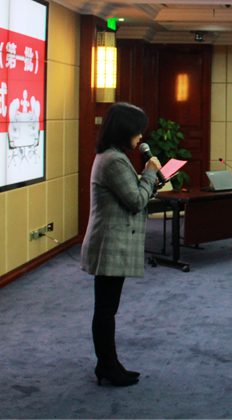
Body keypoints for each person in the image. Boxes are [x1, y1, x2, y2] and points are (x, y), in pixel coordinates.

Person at [80, 102, 162, 387]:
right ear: (124, 130)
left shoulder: (113, 156)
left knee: (107, 308)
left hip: (111, 242)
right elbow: (136, 201)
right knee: (105, 309)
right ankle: (106, 365)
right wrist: (149, 173)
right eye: (138, 131)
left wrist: (149, 181)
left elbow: (133, 192)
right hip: (110, 244)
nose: (141, 137)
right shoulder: (113, 160)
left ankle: (110, 363)